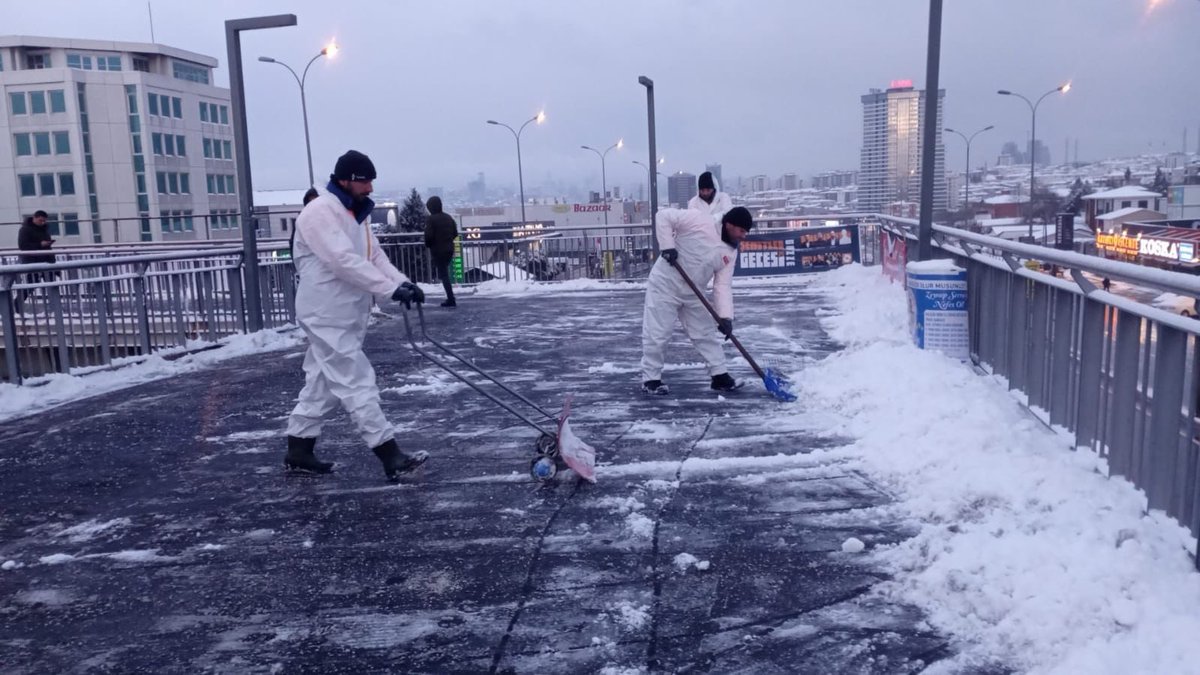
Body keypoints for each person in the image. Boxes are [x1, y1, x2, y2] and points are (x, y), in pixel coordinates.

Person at [284, 150, 429, 483]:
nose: (370, 188)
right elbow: (342, 261)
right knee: (356, 380)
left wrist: (402, 283)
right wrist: (388, 291)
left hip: (346, 312)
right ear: (346, 179)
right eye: (365, 181)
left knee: (323, 381)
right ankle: (389, 454)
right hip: (324, 312)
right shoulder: (319, 212)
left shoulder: (354, 214)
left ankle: (298, 449)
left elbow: (373, 257)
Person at [641, 206, 754, 394]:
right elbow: (663, 216)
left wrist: (725, 317)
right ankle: (651, 379)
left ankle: (719, 376)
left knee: (705, 334)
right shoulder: (699, 220)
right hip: (665, 286)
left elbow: (722, 285)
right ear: (729, 225)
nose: (744, 236)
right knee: (658, 334)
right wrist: (667, 246)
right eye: (742, 231)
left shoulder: (731, 251)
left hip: (694, 292)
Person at [16, 211, 55, 313]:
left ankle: (55, 308)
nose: (42, 222)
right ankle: (16, 304)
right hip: (33, 261)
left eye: (44, 221)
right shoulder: (25, 230)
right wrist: (40, 244)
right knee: (30, 285)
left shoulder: (44, 229)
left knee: (52, 284)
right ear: (34, 218)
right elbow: (23, 246)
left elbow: (47, 247)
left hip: (46, 261)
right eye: (40, 220)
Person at [424, 195, 459, 307]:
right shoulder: (448, 217)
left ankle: (451, 298)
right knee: (445, 273)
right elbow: (455, 233)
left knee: (444, 275)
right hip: (449, 248)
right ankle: (450, 297)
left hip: (438, 250)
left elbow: (428, 236)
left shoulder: (431, 219)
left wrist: (429, 244)